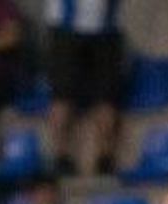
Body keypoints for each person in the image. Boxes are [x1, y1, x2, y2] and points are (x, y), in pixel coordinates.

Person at [45, 0, 127, 176]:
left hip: (76, 29)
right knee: (102, 100)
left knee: (65, 98)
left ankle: (62, 156)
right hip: (96, 28)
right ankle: (104, 158)